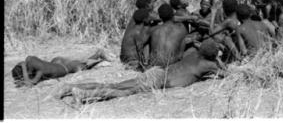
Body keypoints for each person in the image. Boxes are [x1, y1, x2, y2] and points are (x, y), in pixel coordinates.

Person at [57, 39, 225, 103]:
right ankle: (76, 90)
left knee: (120, 88)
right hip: (158, 80)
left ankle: (76, 90)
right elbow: (226, 72)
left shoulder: (193, 54)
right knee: (120, 89)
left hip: (156, 72)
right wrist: (218, 57)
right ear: (212, 55)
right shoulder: (208, 65)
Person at [11, 49, 113, 87]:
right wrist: (23, 67)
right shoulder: (29, 59)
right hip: (55, 62)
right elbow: (28, 70)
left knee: (83, 65)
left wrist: (24, 73)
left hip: (65, 68)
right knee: (79, 63)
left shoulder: (39, 71)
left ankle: (98, 54)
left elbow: (30, 83)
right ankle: (97, 55)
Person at [138, 3, 189, 68]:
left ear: (160, 16)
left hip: (154, 65)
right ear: (173, 15)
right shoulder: (181, 30)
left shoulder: (153, 30)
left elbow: (140, 44)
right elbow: (180, 56)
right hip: (171, 65)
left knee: (147, 42)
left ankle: (146, 62)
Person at [120, 0, 159, 70]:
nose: (153, 4)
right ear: (147, 5)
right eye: (152, 2)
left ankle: (146, 60)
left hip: (125, 56)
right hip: (131, 58)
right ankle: (146, 61)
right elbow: (163, 17)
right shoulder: (146, 15)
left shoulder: (137, 14)